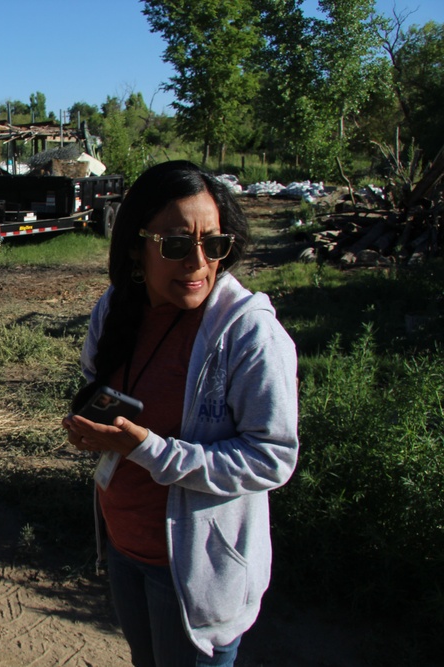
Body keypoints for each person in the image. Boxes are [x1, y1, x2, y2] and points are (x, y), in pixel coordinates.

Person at [61, 160, 299, 667]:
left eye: (213, 244)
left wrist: (148, 450)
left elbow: (271, 458)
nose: (197, 263)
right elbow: (94, 384)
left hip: (196, 571)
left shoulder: (248, 334)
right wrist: (96, 430)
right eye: (174, 244)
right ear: (135, 246)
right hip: (125, 548)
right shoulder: (116, 309)